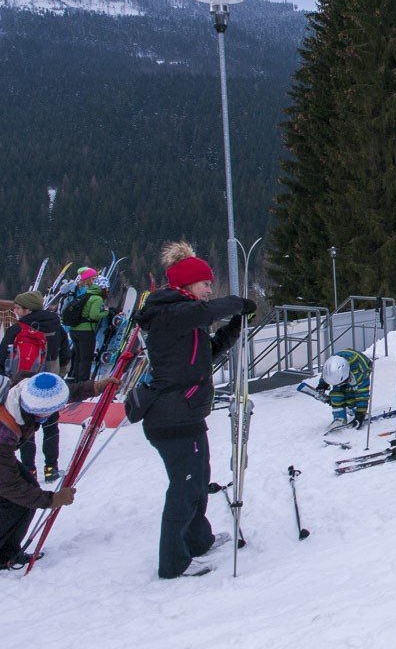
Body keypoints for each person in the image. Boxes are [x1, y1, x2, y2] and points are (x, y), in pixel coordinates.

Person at [136, 240, 252, 578]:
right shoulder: (171, 313)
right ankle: (173, 563)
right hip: (170, 418)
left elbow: (205, 354)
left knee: (199, 480)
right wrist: (237, 304)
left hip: (187, 414)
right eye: (205, 283)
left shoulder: (185, 317)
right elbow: (205, 311)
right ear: (186, 285)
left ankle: (198, 540)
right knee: (185, 488)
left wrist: (234, 328)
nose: (209, 289)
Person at [0, 372, 112, 569]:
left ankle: (8, 553)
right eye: (52, 412)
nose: (56, 414)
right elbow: (10, 485)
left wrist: (95, 387)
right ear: (39, 412)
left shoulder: (28, 387)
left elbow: (60, 394)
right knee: (15, 501)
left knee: (29, 491)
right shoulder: (4, 431)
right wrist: (52, 500)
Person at [0, 291, 71, 481]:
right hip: (50, 383)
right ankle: (51, 469)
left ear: (27, 309)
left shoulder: (18, 328)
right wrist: (60, 375)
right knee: (51, 425)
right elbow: (65, 354)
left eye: (17, 308)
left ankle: (29, 470)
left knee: (25, 426)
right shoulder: (56, 325)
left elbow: (1, 356)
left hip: (23, 385)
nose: (14, 310)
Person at [65, 269, 110, 381]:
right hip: (86, 331)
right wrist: (106, 312)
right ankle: (84, 381)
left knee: (78, 356)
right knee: (86, 357)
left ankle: (75, 378)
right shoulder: (97, 298)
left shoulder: (85, 295)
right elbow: (94, 315)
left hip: (74, 330)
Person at [318, 349, 372, 432]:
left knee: (351, 394)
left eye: (341, 383)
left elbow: (362, 394)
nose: (339, 385)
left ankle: (355, 409)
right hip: (343, 371)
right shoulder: (331, 365)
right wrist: (323, 384)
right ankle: (339, 418)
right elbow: (326, 374)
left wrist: (361, 413)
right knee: (336, 394)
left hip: (362, 367)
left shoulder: (360, 372)